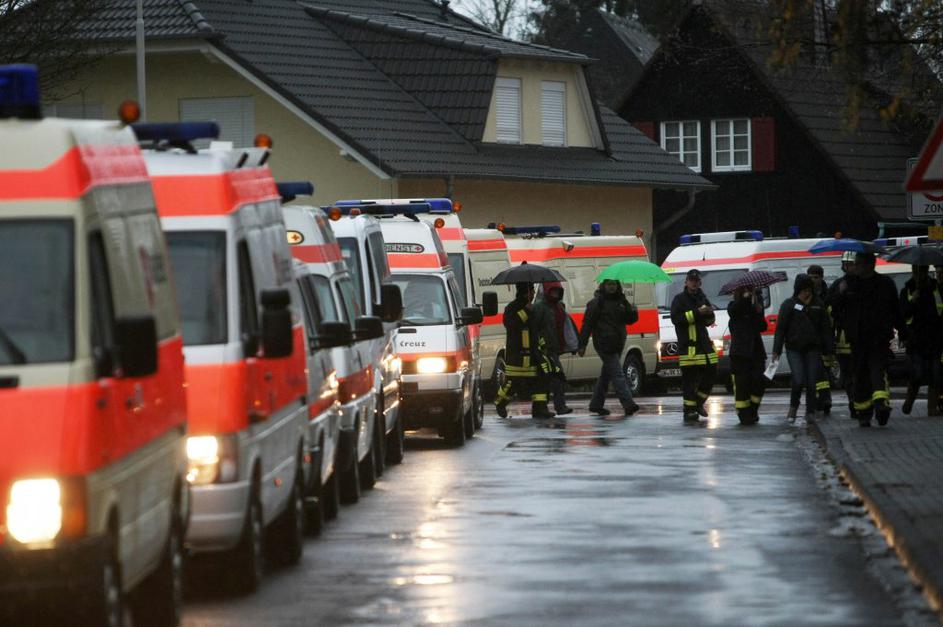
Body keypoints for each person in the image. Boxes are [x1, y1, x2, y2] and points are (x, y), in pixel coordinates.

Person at [836, 252, 907, 427]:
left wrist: (903, 332)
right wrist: (841, 294)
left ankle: (880, 405)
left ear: (869, 265)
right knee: (860, 374)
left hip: (878, 337)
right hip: (857, 339)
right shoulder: (849, 285)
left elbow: (895, 310)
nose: (855, 267)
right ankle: (864, 412)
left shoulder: (885, 284)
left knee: (877, 370)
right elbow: (835, 308)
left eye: (858, 264)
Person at [772, 274, 833, 421]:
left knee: (812, 381)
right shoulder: (789, 304)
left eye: (809, 290)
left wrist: (829, 348)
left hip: (813, 348)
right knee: (798, 379)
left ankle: (810, 411)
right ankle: (793, 407)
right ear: (797, 290)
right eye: (804, 290)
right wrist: (776, 350)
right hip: (794, 349)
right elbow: (780, 329)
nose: (807, 293)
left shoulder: (818, 305)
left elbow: (825, 328)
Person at [578, 279, 641, 417]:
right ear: (603, 285)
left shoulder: (621, 301)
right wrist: (582, 345)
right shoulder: (596, 303)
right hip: (604, 343)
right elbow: (587, 325)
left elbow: (629, 320)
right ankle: (628, 404)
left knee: (606, 374)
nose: (612, 287)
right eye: (609, 284)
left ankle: (596, 404)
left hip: (618, 343)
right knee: (618, 374)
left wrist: (634, 312)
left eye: (614, 284)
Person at [495, 283, 555, 419]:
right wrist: (525, 311)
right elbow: (511, 324)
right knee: (512, 383)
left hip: (533, 353)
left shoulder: (533, 308)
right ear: (525, 293)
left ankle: (540, 409)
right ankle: (500, 403)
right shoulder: (512, 308)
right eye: (531, 291)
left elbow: (536, 330)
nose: (533, 294)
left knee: (540, 380)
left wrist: (542, 346)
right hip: (517, 355)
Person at [670, 269, 718, 422]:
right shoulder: (679, 299)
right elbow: (676, 319)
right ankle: (689, 411)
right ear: (686, 282)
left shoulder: (703, 298)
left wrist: (709, 314)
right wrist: (697, 312)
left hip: (704, 345)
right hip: (688, 347)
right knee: (689, 381)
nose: (694, 283)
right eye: (691, 280)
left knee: (712, 372)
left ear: (700, 282)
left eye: (696, 281)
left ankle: (698, 402)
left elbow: (710, 322)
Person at [899, 265, 942, 416]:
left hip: (934, 339)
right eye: (916, 271)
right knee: (917, 373)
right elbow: (903, 314)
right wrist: (913, 301)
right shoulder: (907, 290)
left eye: (922, 271)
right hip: (915, 339)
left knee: (936, 375)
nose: (919, 274)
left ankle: (932, 408)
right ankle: (909, 401)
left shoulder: (936, 288)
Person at [727, 286, 768, 425]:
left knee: (759, 382)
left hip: (756, 352)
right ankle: (743, 414)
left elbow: (762, 326)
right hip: (740, 354)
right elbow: (734, 311)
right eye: (746, 291)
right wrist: (745, 299)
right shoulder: (734, 307)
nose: (749, 293)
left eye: (751, 291)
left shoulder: (754, 308)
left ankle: (753, 409)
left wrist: (758, 311)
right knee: (742, 386)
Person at [532, 282, 572, 415]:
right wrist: (540, 345)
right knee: (555, 377)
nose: (555, 293)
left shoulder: (559, 306)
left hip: (554, 347)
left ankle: (544, 408)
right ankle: (557, 406)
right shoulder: (539, 307)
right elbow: (534, 328)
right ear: (547, 291)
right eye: (553, 290)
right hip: (545, 349)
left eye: (558, 291)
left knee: (550, 378)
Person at [827, 251, 856, 410]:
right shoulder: (838, 285)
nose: (848, 267)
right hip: (842, 338)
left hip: (861, 336)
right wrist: (840, 293)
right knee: (847, 373)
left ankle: (861, 401)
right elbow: (830, 307)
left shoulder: (863, 284)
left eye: (851, 264)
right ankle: (853, 401)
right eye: (846, 264)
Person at [807, 264, 833, 414]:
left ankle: (823, 399)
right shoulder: (805, 294)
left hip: (826, 338)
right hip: (812, 339)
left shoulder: (827, 294)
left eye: (816, 277)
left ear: (821, 278)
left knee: (825, 371)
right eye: (810, 277)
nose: (813, 280)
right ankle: (823, 399)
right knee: (817, 371)